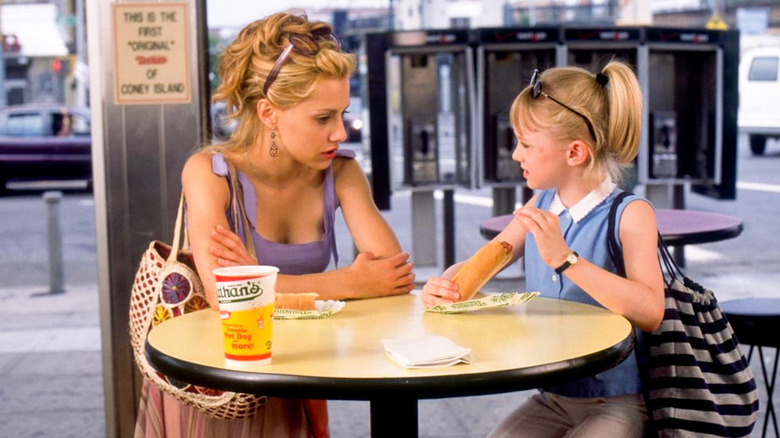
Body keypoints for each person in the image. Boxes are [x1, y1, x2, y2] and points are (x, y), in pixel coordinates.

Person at [134, 12, 415, 438]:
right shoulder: (210, 174)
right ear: (269, 112)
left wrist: (264, 281)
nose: (340, 133)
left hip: (294, 375)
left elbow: (391, 275)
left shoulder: (341, 173)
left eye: (342, 114)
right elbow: (223, 296)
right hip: (218, 384)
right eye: (323, 119)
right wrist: (350, 283)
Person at [421, 61, 665, 437]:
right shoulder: (540, 203)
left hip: (617, 402)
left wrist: (566, 260)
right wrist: (450, 281)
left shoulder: (630, 214)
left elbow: (651, 311)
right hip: (554, 396)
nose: (516, 154)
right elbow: (493, 256)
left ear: (574, 153)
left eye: (526, 144)